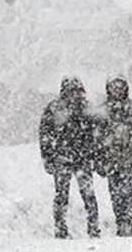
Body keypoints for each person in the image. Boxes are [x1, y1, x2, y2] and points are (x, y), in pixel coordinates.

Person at [39, 76, 100, 239]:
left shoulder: (84, 108)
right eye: (71, 90)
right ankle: (62, 228)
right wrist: (47, 157)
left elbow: (97, 134)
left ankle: (92, 228)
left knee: (86, 195)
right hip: (65, 157)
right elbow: (45, 135)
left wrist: (95, 154)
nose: (74, 94)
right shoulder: (55, 108)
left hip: (79, 157)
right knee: (63, 195)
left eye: (76, 90)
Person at [96, 77, 132, 237]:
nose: (117, 90)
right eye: (114, 87)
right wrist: (98, 160)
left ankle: (129, 224)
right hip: (111, 160)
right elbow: (97, 138)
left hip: (130, 160)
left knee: (129, 193)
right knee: (115, 194)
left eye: (120, 87)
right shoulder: (103, 111)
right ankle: (120, 222)